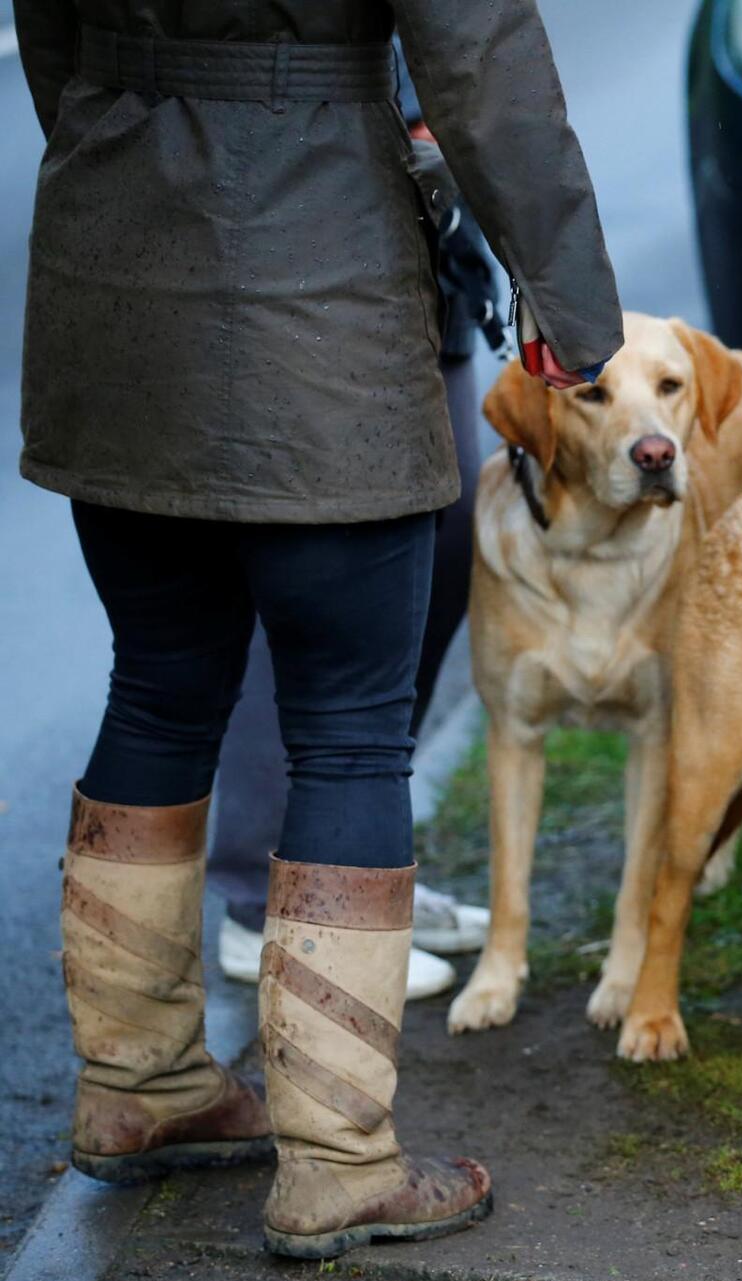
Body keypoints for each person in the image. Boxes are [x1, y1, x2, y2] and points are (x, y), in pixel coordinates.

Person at [16, 0, 621, 1259]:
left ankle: (140, 1088)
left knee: (160, 683)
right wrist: (573, 302)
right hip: (319, 276)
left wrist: (123, 143)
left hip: (116, 257)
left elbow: (50, 32)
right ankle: (339, 1165)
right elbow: (480, 53)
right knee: (350, 731)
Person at [208, 56, 498, 1003]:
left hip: (426, 219)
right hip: (322, 211)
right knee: (322, 567)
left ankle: (363, 880)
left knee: (437, 545)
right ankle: (269, 898)